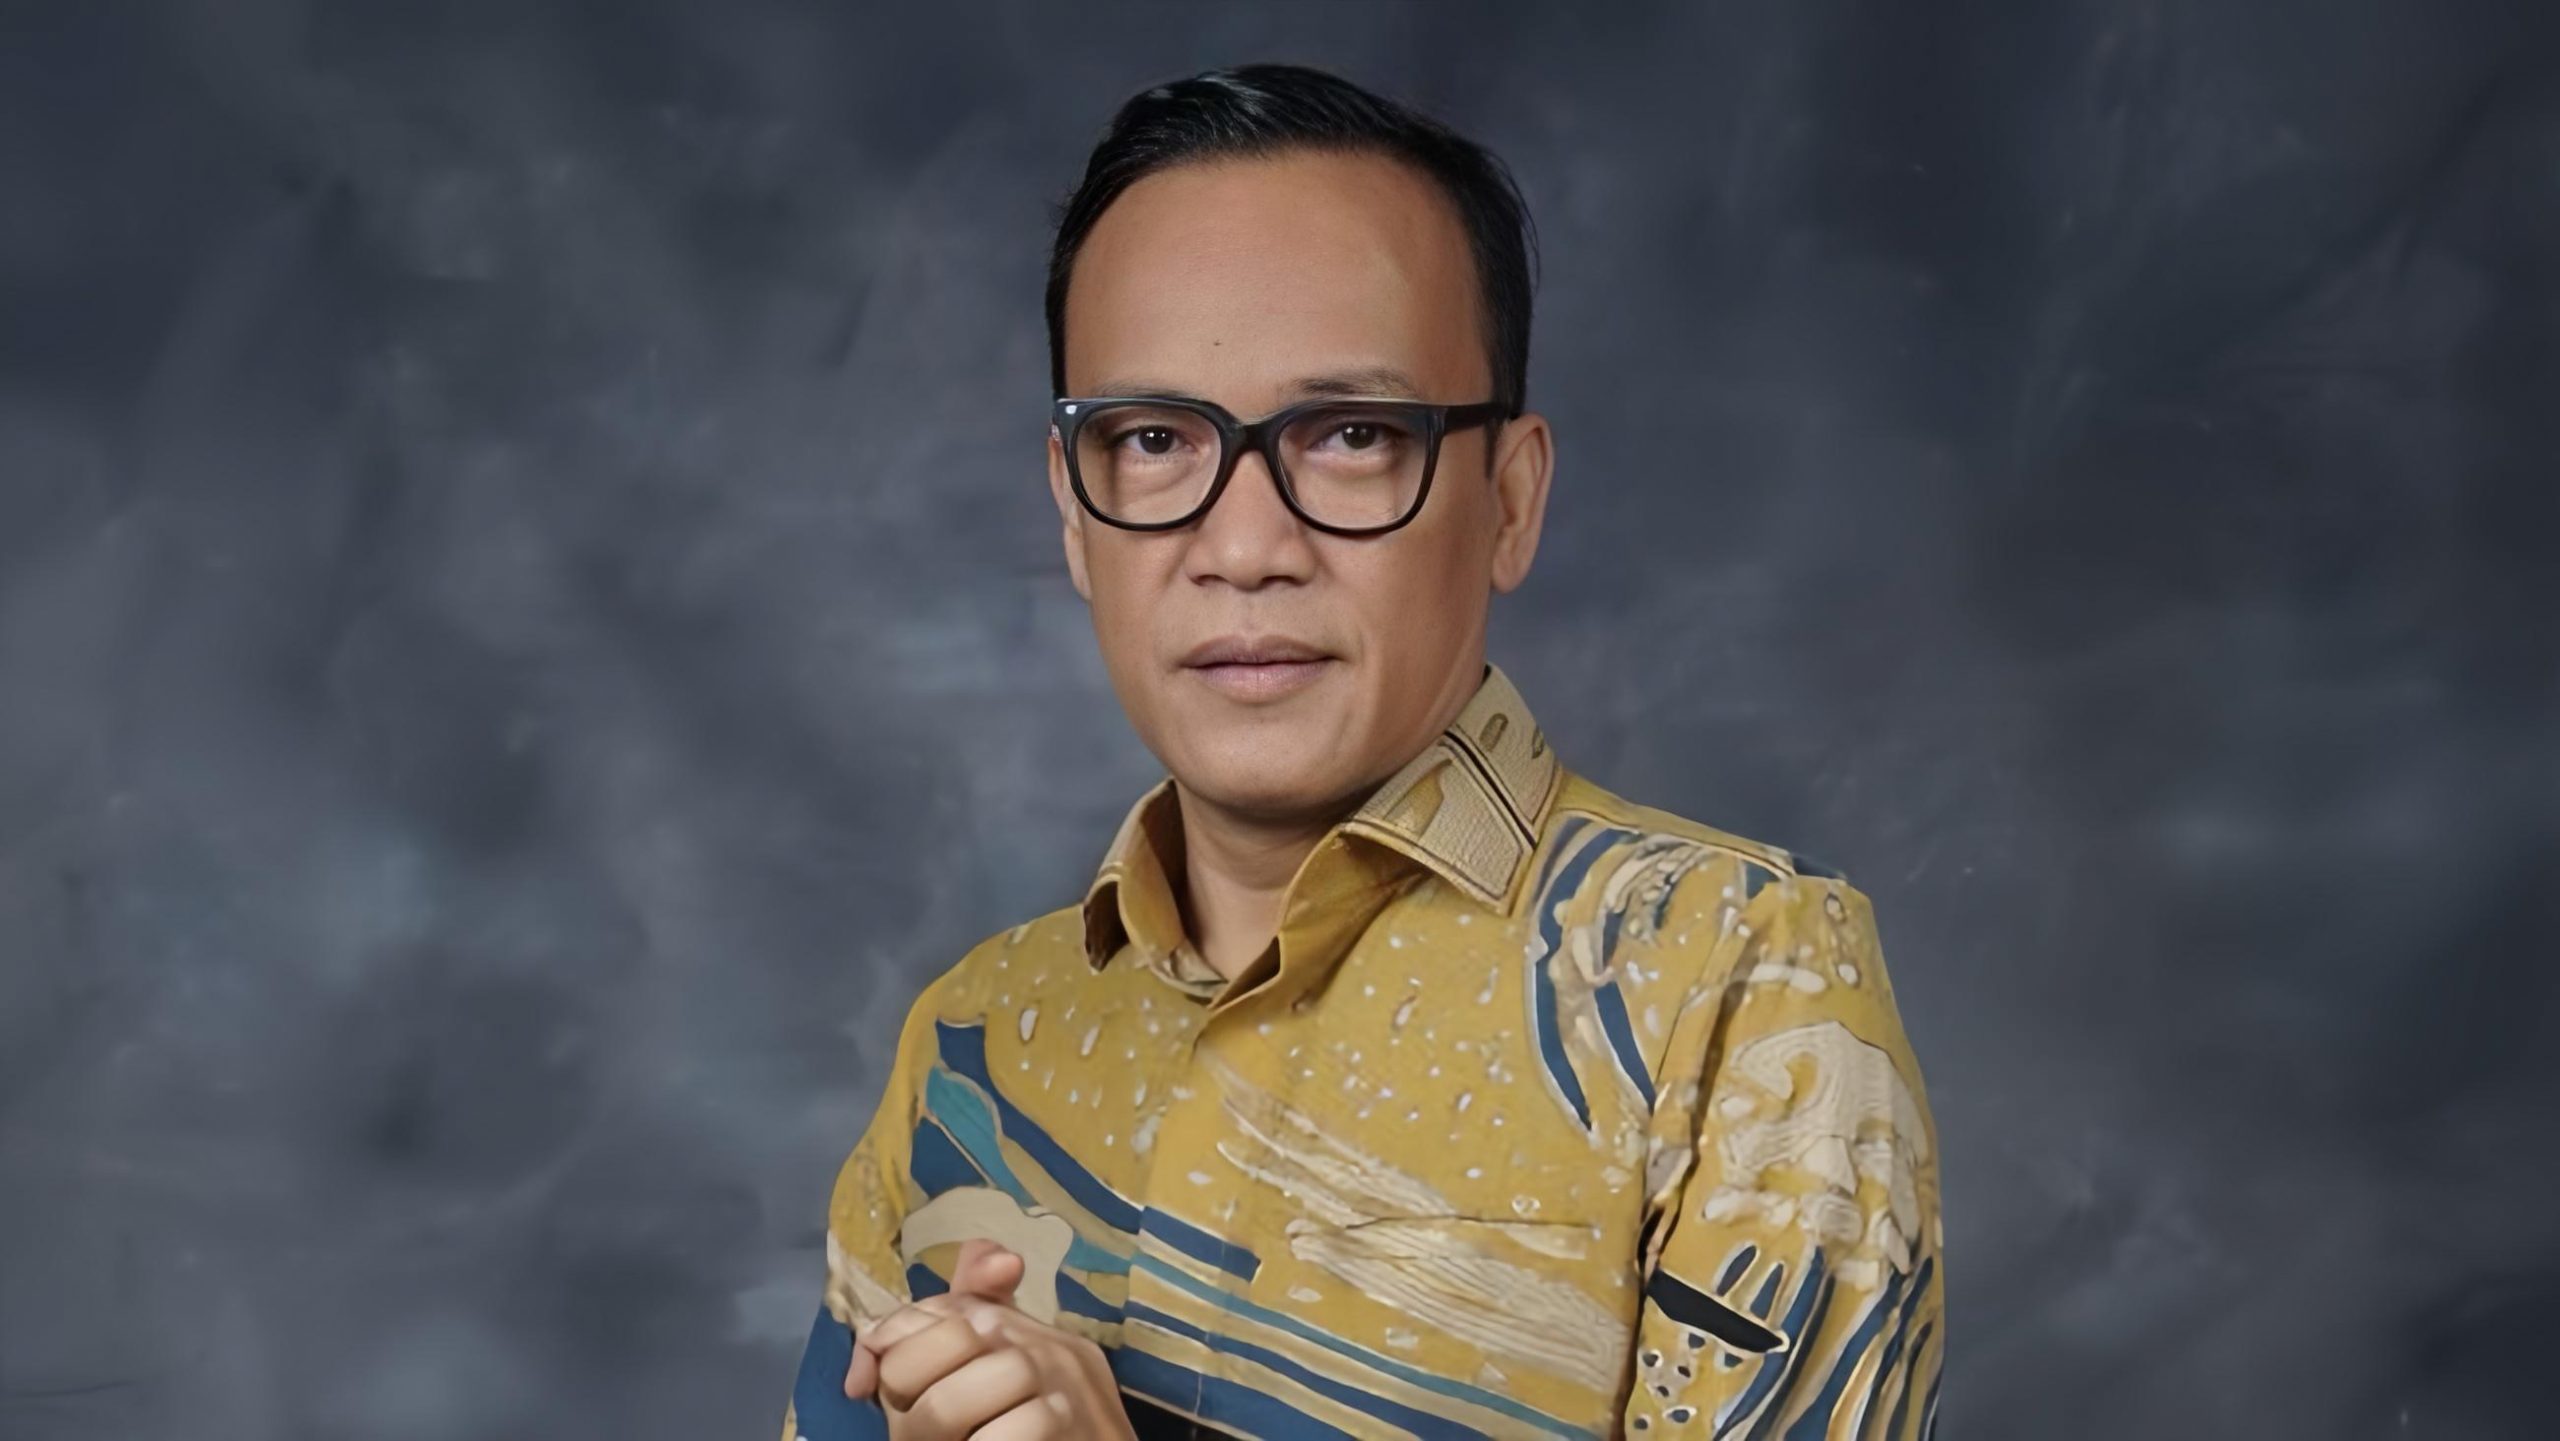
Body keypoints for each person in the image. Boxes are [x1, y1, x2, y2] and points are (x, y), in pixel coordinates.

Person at [778, 61, 1944, 1441]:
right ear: (1075, 516)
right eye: (1152, 439)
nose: (1244, 546)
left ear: (1511, 499)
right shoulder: (972, 1043)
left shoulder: (1735, 981)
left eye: (1349, 436)